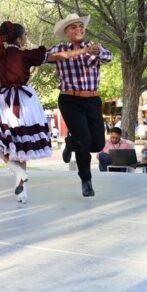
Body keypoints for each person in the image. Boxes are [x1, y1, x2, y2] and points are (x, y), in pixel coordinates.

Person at [0, 21, 86, 203]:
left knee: (7, 143)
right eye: (24, 36)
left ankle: (21, 187)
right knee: (20, 143)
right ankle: (20, 174)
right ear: (18, 38)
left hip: (3, 101)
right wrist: (81, 51)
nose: (25, 39)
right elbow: (58, 56)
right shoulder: (25, 55)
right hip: (22, 101)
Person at [47, 13, 112, 197]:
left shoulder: (93, 46)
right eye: (74, 27)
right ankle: (86, 180)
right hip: (70, 100)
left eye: (81, 26)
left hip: (92, 100)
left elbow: (109, 57)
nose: (79, 29)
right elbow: (47, 57)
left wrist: (97, 51)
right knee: (84, 141)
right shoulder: (59, 49)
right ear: (66, 31)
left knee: (97, 144)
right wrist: (80, 52)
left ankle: (70, 142)